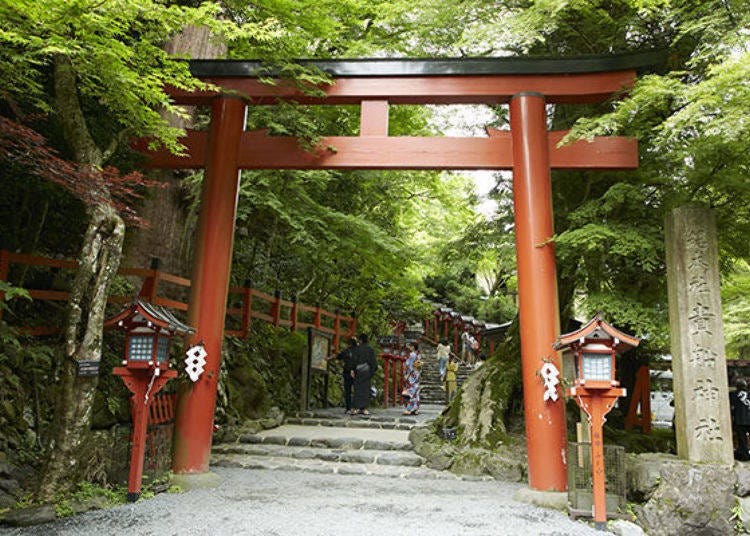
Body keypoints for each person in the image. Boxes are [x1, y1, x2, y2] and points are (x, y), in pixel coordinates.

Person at [326, 336, 358, 414]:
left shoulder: (346, 351)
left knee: (348, 391)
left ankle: (348, 408)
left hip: (347, 372)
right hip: (357, 373)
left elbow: (338, 356)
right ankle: (356, 408)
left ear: (349, 344)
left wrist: (328, 358)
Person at [350, 333, 378, 416]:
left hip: (358, 371)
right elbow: (374, 363)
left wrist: (352, 370)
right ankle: (364, 409)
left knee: (357, 390)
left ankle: (355, 408)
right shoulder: (370, 349)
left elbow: (353, 360)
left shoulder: (357, 349)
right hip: (367, 372)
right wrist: (371, 372)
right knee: (365, 390)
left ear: (360, 340)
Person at [731, 377, 750, 461]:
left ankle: (744, 456)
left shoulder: (733, 394)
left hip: (740, 420)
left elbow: (731, 407)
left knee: (742, 440)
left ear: (737, 386)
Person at [403, 342, 421, 415]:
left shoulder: (412, 355)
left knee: (411, 391)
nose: (409, 347)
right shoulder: (417, 356)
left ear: (413, 347)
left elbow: (409, 366)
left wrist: (407, 374)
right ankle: (416, 408)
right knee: (416, 392)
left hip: (411, 375)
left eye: (410, 346)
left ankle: (409, 409)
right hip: (416, 375)